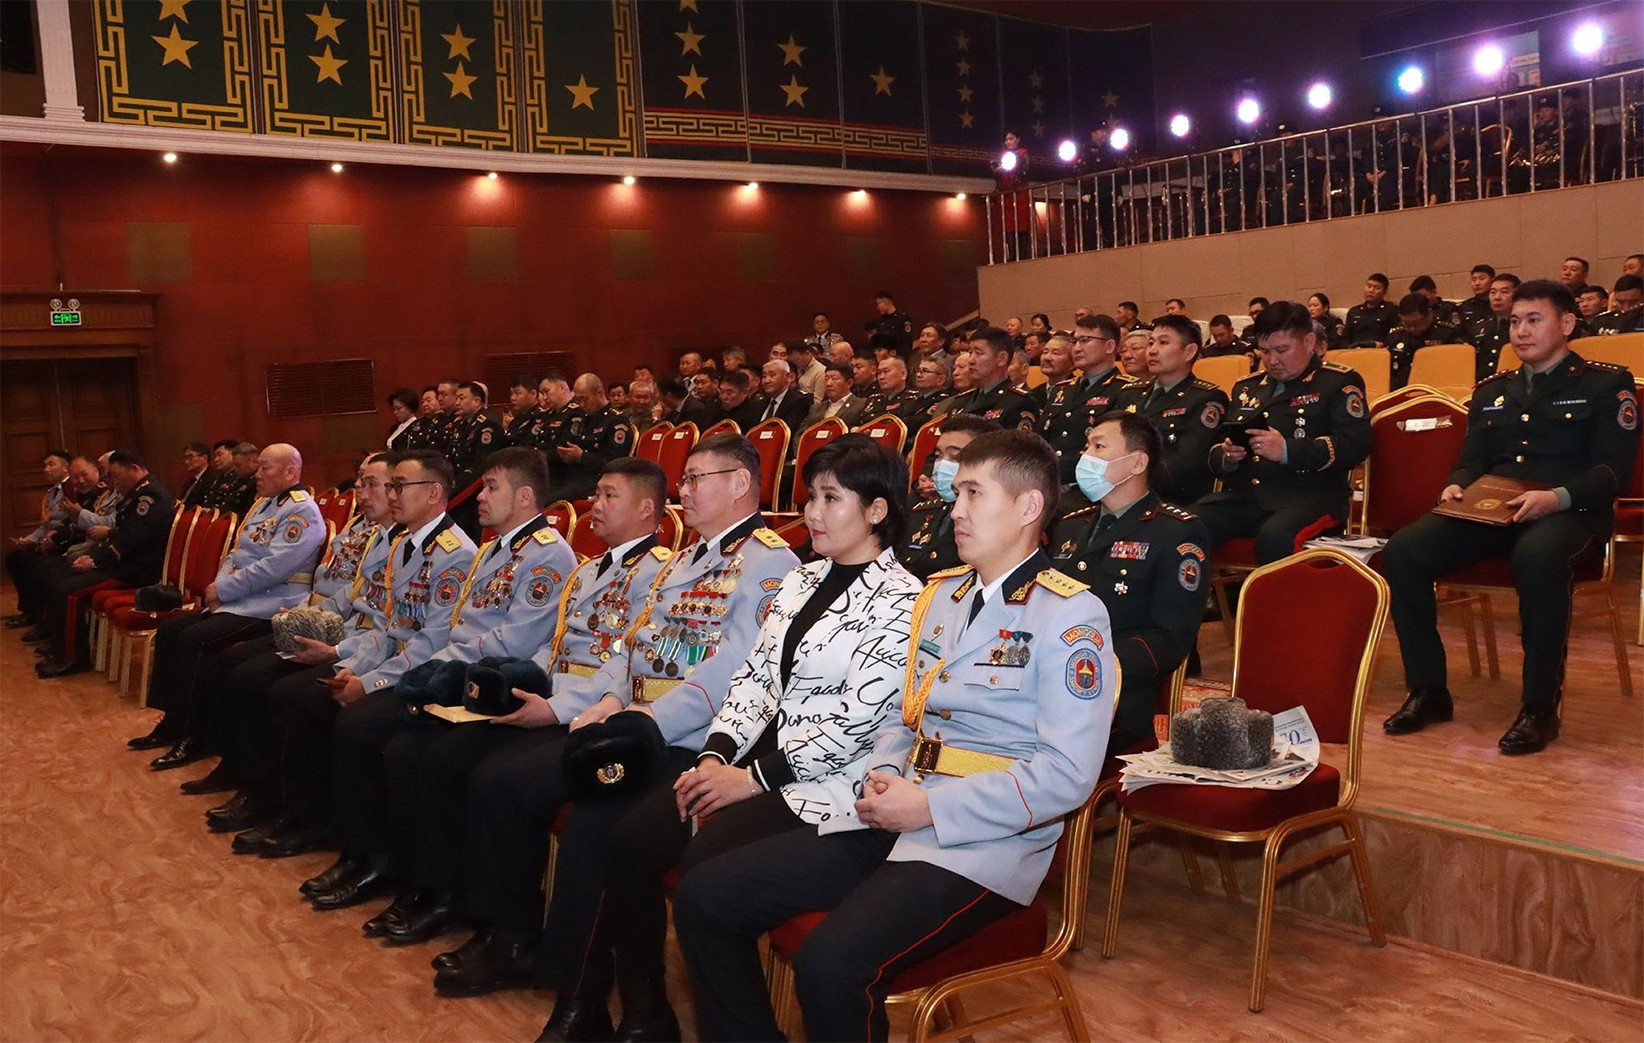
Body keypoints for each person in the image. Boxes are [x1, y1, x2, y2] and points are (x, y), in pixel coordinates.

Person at [673, 429, 1115, 1043]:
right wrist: (884, 773)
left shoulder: (1070, 615)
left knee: (831, 964)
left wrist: (929, 807)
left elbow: (1066, 775)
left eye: (973, 493)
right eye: (957, 492)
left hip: (983, 841)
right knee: (706, 896)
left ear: (1028, 508)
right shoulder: (943, 596)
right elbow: (904, 718)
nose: (955, 509)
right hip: (893, 813)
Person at [536, 436, 920, 1041]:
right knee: (631, 840)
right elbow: (755, 680)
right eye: (810, 498)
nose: (812, 513)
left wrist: (750, 779)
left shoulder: (905, 601)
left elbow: (854, 723)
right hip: (755, 758)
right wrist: (716, 755)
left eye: (831, 499)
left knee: (703, 874)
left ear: (876, 511)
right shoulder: (803, 581)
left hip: (830, 783)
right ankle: (645, 1012)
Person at [427, 434, 797, 999]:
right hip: (634, 724)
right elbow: (632, 650)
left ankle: (575, 985)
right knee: (505, 782)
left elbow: (733, 671)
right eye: (684, 480)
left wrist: (644, 720)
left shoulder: (772, 564)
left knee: (591, 829)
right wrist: (605, 701)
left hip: (694, 740)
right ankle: (511, 935)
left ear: (740, 483)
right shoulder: (688, 559)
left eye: (695, 479)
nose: (683, 491)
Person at [362, 458, 674, 949]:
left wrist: (554, 705)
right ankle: (436, 889)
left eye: (609, 495)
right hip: (547, 695)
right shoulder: (589, 571)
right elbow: (553, 648)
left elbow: (628, 662)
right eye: (596, 493)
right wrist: (520, 684)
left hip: (588, 710)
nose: (595, 504)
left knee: (491, 778)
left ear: (645, 508)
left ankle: (501, 928)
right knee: (429, 752)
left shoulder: (659, 574)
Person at [1381, 280, 1637, 755]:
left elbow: (1611, 472)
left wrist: (1557, 497)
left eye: (1534, 320)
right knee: (1403, 551)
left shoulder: (1605, 385)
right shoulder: (1493, 390)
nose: (1521, 331)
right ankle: (1428, 691)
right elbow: (1472, 461)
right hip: (1494, 511)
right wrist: (1456, 484)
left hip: (1571, 512)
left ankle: (1539, 708)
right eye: (1515, 321)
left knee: (1538, 555)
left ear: (1567, 323)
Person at [313, 447, 575, 911]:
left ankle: (428, 883)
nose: (479, 496)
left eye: (491, 487)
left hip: (486, 683)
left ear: (524, 497)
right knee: (380, 737)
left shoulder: (549, 554)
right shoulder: (494, 549)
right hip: (451, 670)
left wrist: (434, 666)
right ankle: (375, 858)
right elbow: (439, 627)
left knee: (400, 744)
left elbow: (511, 640)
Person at [243, 450, 478, 866]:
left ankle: (350, 845)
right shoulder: (404, 545)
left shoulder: (455, 552)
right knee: (292, 694)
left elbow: (428, 643)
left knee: (341, 719)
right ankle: (297, 812)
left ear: (433, 493)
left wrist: (367, 680)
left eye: (399, 486)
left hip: (422, 671)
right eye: (391, 485)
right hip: (383, 657)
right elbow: (387, 626)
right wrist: (349, 663)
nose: (392, 494)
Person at [198, 455, 398, 827]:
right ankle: (249, 779)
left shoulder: (401, 543)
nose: (361, 491)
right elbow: (351, 593)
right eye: (360, 482)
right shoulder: (373, 532)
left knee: (281, 692)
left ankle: (281, 802)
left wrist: (336, 649)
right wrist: (307, 615)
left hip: (361, 646)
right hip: (335, 627)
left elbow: (390, 625)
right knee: (241, 671)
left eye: (371, 484)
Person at [121, 445, 327, 763]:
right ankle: (173, 722)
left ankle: (196, 736)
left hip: (271, 605)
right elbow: (236, 552)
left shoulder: (302, 512)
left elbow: (273, 569)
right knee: (171, 630)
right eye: (258, 467)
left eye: (266, 468)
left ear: (290, 471)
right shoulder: (264, 504)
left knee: (195, 640)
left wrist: (224, 590)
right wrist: (218, 589)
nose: (257, 474)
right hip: (240, 598)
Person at [1052, 414, 1210, 753]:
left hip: (1116, 697)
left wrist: (1091, 664)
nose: (1085, 456)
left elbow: (1170, 637)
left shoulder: (1175, 532)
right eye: (1086, 446)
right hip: (1049, 681)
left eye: (1098, 447)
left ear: (1137, 463)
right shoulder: (1070, 525)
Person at [1193, 302, 1372, 563]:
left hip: (1310, 496)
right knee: (1186, 527)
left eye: (1282, 350)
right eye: (1264, 351)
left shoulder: (1337, 382)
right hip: (1249, 496)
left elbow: (1355, 444)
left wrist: (1287, 450)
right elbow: (1214, 450)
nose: (1272, 360)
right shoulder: (1247, 388)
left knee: (1275, 538)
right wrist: (1228, 456)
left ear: (1308, 342)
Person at [33, 451, 174, 677]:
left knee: (66, 591)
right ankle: (60, 648)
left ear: (134, 469)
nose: (113, 481)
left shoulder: (150, 497)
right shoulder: (137, 493)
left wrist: (95, 561)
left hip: (135, 571)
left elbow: (130, 540)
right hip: (123, 562)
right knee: (58, 577)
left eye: (116, 475)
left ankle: (72, 658)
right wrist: (96, 557)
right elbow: (121, 533)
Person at [1117, 315, 1229, 505]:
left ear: (1189, 352)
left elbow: (1184, 463)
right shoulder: (1130, 393)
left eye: (1163, 343)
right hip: (1120, 491)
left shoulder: (1206, 398)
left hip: (1170, 498)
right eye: (1151, 343)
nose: (1152, 350)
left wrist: (1125, 478)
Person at [1041, 313, 1138, 482]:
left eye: (1085, 340)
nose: (1077, 348)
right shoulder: (1061, 389)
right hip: (1050, 481)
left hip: (1095, 483)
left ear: (1109, 346)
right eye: (1075, 341)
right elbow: (1040, 440)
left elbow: (1118, 451)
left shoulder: (1127, 390)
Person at [899, 416, 999, 580]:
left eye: (955, 457)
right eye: (938, 456)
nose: (942, 465)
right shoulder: (921, 511)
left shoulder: (993, 527)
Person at [551, 374, 631, 502]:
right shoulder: (583, 418)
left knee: (549, 501)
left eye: (584, 399)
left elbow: (615, 462)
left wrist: (582, 456)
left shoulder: (616, 421)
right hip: (571, 476)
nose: (581, 404)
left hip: (596, 480)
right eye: (577, 400)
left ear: (599, 393)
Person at [961, 327, 1039, 433]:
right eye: (970, 353)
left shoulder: (1019, 402)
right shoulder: (961, 401)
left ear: (1002, 359)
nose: (971, 360)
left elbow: (1018, 442)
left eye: (979, 353)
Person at [1386, 293, 1463, 389]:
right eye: (1406, 324)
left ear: (1429, 314)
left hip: (1436, 389)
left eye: (1417, 323)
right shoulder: (1396, 336)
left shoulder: (1447, 333)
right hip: (1401, 390)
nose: (1412, 328)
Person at [1470, 273, 1521, 380]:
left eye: (1504, 292)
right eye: (1493, 292)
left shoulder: (1523, 327)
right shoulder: (1480, 326)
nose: (1497, 297)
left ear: (1517, 296)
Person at [992, 133, 1032, 262]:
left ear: (1017, 139)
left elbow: (1025, 170)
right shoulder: (1003, 155)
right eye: (1006, 140)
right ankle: (1012, 254)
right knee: (1009, 225)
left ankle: (1023, 254)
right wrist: (996, 169)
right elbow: (996, 173)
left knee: (1022, 223)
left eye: (1011, 139)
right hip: (1007, 194)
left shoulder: (1022, 153)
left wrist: (1014, 167)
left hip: (1019, 192)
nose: (1009, 142)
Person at [802, 363, 871, 429]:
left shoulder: (861, 405)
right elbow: (802, 434)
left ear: (849, 383)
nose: (828, 384)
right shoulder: (816, 408)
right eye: (826, 379)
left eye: (834, 379)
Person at [755, 358, 813, 431]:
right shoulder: (759, 403)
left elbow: (789, 430)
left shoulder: (799, 401)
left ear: (788, 377)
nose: (766, 381)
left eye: (772, 375)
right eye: (764, 376)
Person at [1343, 273, 1398, 346]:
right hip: (1356, 350)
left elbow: (1397, 335)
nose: (1371, 290)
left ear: (1384, 292)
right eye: (1369, 286)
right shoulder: (1354, 312)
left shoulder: (1391, 309)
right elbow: (1345, 338)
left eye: (1377, 288)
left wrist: (1384, 344)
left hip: (1380, 350)